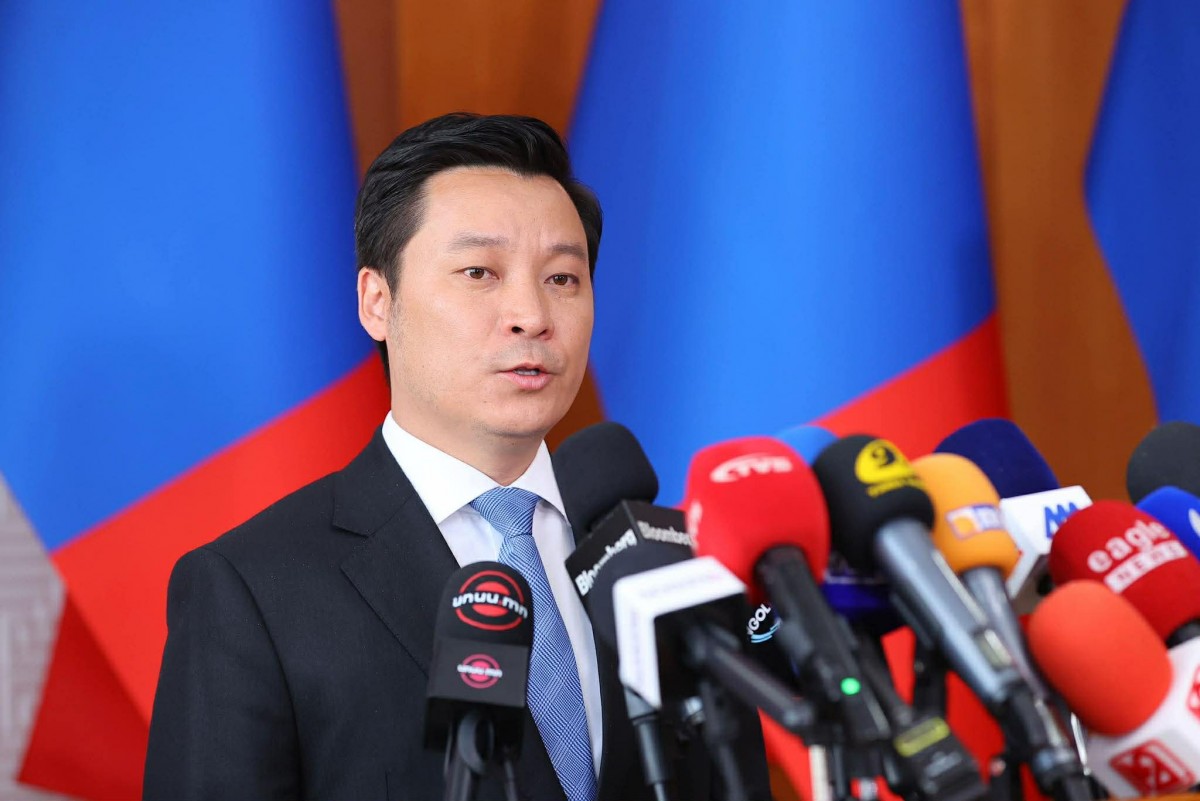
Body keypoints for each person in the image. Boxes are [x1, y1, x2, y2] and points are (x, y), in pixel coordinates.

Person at [143, 113, 769, 801]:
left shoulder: (671, 563)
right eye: (479, 272)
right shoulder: (252, 590)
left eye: (563, 278)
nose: (532, 315)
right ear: (377, 302)